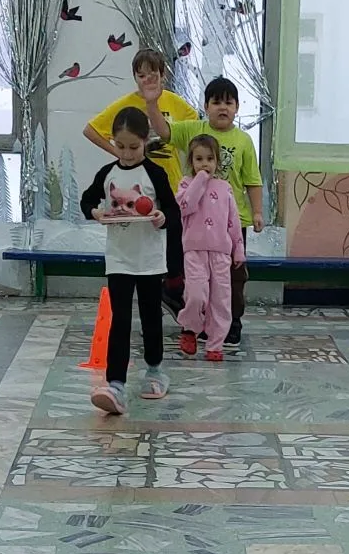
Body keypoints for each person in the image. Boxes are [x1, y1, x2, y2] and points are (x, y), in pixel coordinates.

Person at [145, 76, 263, 347]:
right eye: (216, 102)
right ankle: (198, 322)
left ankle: (231, 323)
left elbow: (252, 180)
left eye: (229, 103)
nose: (223, 107)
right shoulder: (193, 130)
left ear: (237, 107)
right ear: (206, 106)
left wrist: (257, 212)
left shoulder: (244, 140)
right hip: (196, 225)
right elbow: (164, 132)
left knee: (233, 280)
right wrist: (152, 103)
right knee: (199, 279)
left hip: (232, 224)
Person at [80, 107, 182, 414]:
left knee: (151, 317)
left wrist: (161, 218)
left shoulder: (155, 174)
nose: (126, 154)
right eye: (120, 146)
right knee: (120, 319)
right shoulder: (107, 173)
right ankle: (116, 384)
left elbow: (173, 212)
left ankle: (155, 370)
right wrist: (95, 212)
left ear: (145, 141)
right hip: (119, 259)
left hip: (149, 260)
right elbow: (87, 199)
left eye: (133, 147)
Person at [84, 48, 197, 321]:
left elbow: (193, 135)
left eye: (153, 73)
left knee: (175, 245)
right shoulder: (126, 104)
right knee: (143, 244)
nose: (147, 79)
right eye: (141, 74)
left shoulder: (177, 104)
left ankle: (171, 290)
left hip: (170, 184)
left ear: (163, 74)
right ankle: (147, 296)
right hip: (136, 191)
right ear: (135, 76)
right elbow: (91, 130)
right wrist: (119, 153)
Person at [176, 135, 246, 362]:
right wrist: (199, 180)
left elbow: (233, 221)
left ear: (217, 161)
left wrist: (238, 249)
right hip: (194, 251)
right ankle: (190, 329)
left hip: (221, 253)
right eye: (199, 159)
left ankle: (215, 344)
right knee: (196, 294)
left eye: (209, 159)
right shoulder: (186, 184)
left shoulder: (225, 188)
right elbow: (185, 207)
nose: (204, 164)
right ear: (191, 161)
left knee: (221, 300)